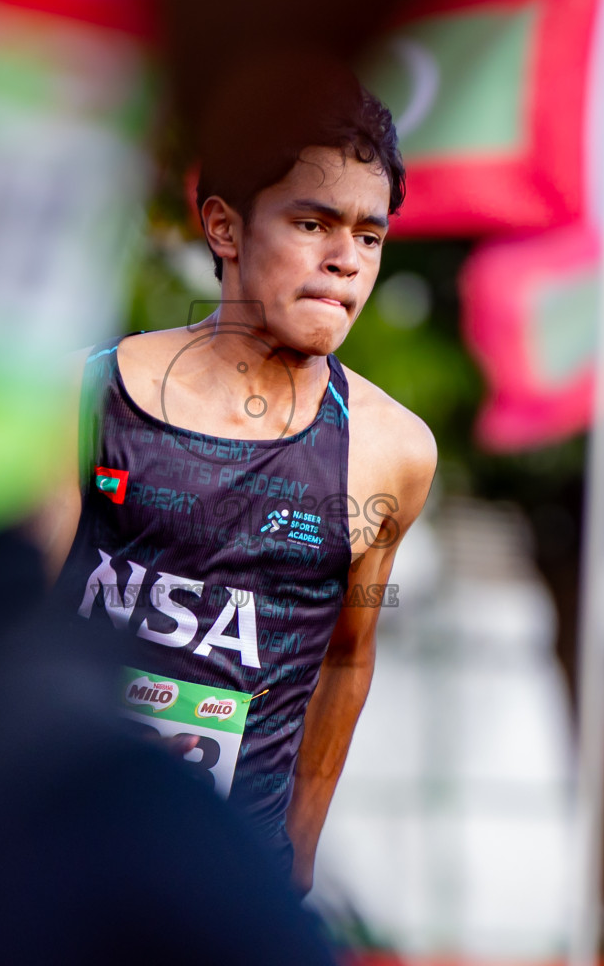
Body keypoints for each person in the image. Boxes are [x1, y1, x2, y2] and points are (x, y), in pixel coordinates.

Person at [38, 62, 438, 894]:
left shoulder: (392, 452)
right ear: (224, 227)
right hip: (56, 853)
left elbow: (346, 659)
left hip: (223, 879)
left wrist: (296, 856)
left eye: (369, 235)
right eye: (313, 223)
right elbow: (11, 627)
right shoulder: (88, 396)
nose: (344, 261)